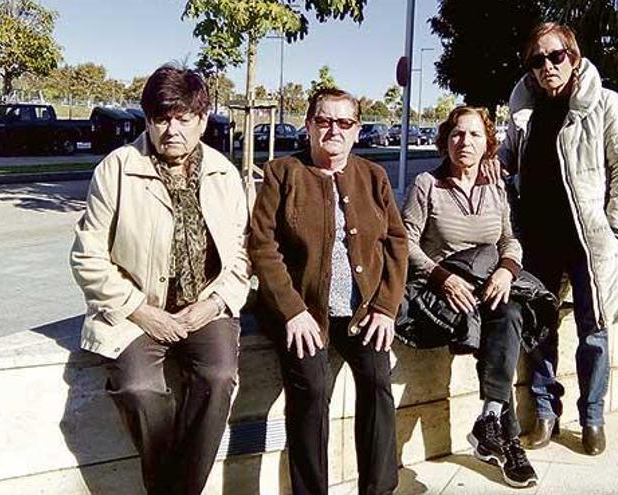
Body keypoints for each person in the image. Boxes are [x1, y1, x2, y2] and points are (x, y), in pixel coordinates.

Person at [70, 64, 251, 494]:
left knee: (220, 377)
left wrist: (214, 303)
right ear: (148, 120)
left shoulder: (225, 175)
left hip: (205, 305)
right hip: (135, 309)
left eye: (183, 118)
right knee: (139, 389)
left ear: (202, 119)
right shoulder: (118, 169)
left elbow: (243, 256)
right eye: (161, 118)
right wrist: (140, 311)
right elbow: (86, 255)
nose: (172, 129)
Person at [492, 22, 618, 455]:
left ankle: (592, 417)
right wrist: (497, 163)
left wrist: (615, 229)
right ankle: (545, 414)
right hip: (538, 239)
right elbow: (509, 154)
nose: (546, 67)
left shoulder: (605, 105)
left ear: (573, 57)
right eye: (536, 61)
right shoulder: (525, 110)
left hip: (589, 242)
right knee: (540, 330)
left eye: (555, 56)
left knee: (592, 330)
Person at [250, 88, 408, 495]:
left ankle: (379, 488)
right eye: (323, 121)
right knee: (311, 392)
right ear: (308, 126)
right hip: (305, 312)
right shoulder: (281, 173)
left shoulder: (373, 177)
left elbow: (396, 242)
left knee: (376, 382)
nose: (333, 130)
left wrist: (386, 306)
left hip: (362, 311)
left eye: (344, 122)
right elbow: (262, 246)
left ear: (356, 130)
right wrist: (291, 310)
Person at [401, 106, 539, 488]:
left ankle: (490, 418)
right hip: (442, 291)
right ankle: (505, 440)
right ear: (446, 140)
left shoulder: (496, 185)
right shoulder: (427, 184)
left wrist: (505, 271)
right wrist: (443, 276)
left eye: (475, 135)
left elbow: (509, 240)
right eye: (458, 134)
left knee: (508, 312)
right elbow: (406, 242)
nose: (465, 141)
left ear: (487, 143)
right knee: (503, 321)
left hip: (487, 285)